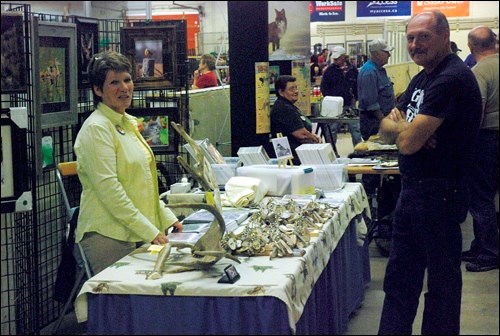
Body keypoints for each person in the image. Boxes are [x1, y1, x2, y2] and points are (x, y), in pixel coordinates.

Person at [377, 11, 482, 335]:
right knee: (399, 283)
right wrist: (405, 128)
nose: (414, 44)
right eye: (410, 37)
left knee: (441, 288)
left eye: (424, 36)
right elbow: (385, 128)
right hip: (413, 191)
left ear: (445, 35)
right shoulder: (423, 78)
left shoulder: (451, 78)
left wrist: (405, 129)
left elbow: (406, 143)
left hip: (440, 194)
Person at [74, 51, 183, 275]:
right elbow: (110, 191)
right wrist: (149, 231)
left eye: (127, 79)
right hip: (109, 237)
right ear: (97, 90)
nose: (124, 87)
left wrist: (168, 219)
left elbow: (143, 184)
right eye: (114, 82)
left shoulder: (127, 123)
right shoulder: (97, 129)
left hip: (136, 231)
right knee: (120, 306)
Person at [462, 25, 499, 272]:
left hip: (487, 139)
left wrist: (465, 143)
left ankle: (489, 253)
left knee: (480, 198)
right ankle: (480, 245)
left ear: (471, 46)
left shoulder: (479, 71)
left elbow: (478, 112)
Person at [270, 75, 322, 165]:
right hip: (291, 157)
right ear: (281, 92)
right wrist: (315, 139)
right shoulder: (283, 108)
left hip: (296, 153)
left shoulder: (289, 106)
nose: (296, 91)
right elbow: (301, 134)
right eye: (291, 89)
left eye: (296, 88)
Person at [320, 46, 362, 156]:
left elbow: (357, 85)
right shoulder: (329, 71)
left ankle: (359, 152)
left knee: (355, 128)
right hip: (334, 106)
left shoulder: (353, 70)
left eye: (338, 58)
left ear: (344, 57)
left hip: (350, 104)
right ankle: (332, 153)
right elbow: (323, 87)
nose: (336, 60)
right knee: (332, 129)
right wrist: (330, 100)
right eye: (335, 58)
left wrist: (356, 98)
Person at [357, 37, 395, 141]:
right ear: (378, 54)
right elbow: (370, 104)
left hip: (381, 123)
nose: (389, 55)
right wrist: (384, 122)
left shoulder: (379, 70)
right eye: (387, 52)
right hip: (374, 125)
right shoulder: (369, 72)